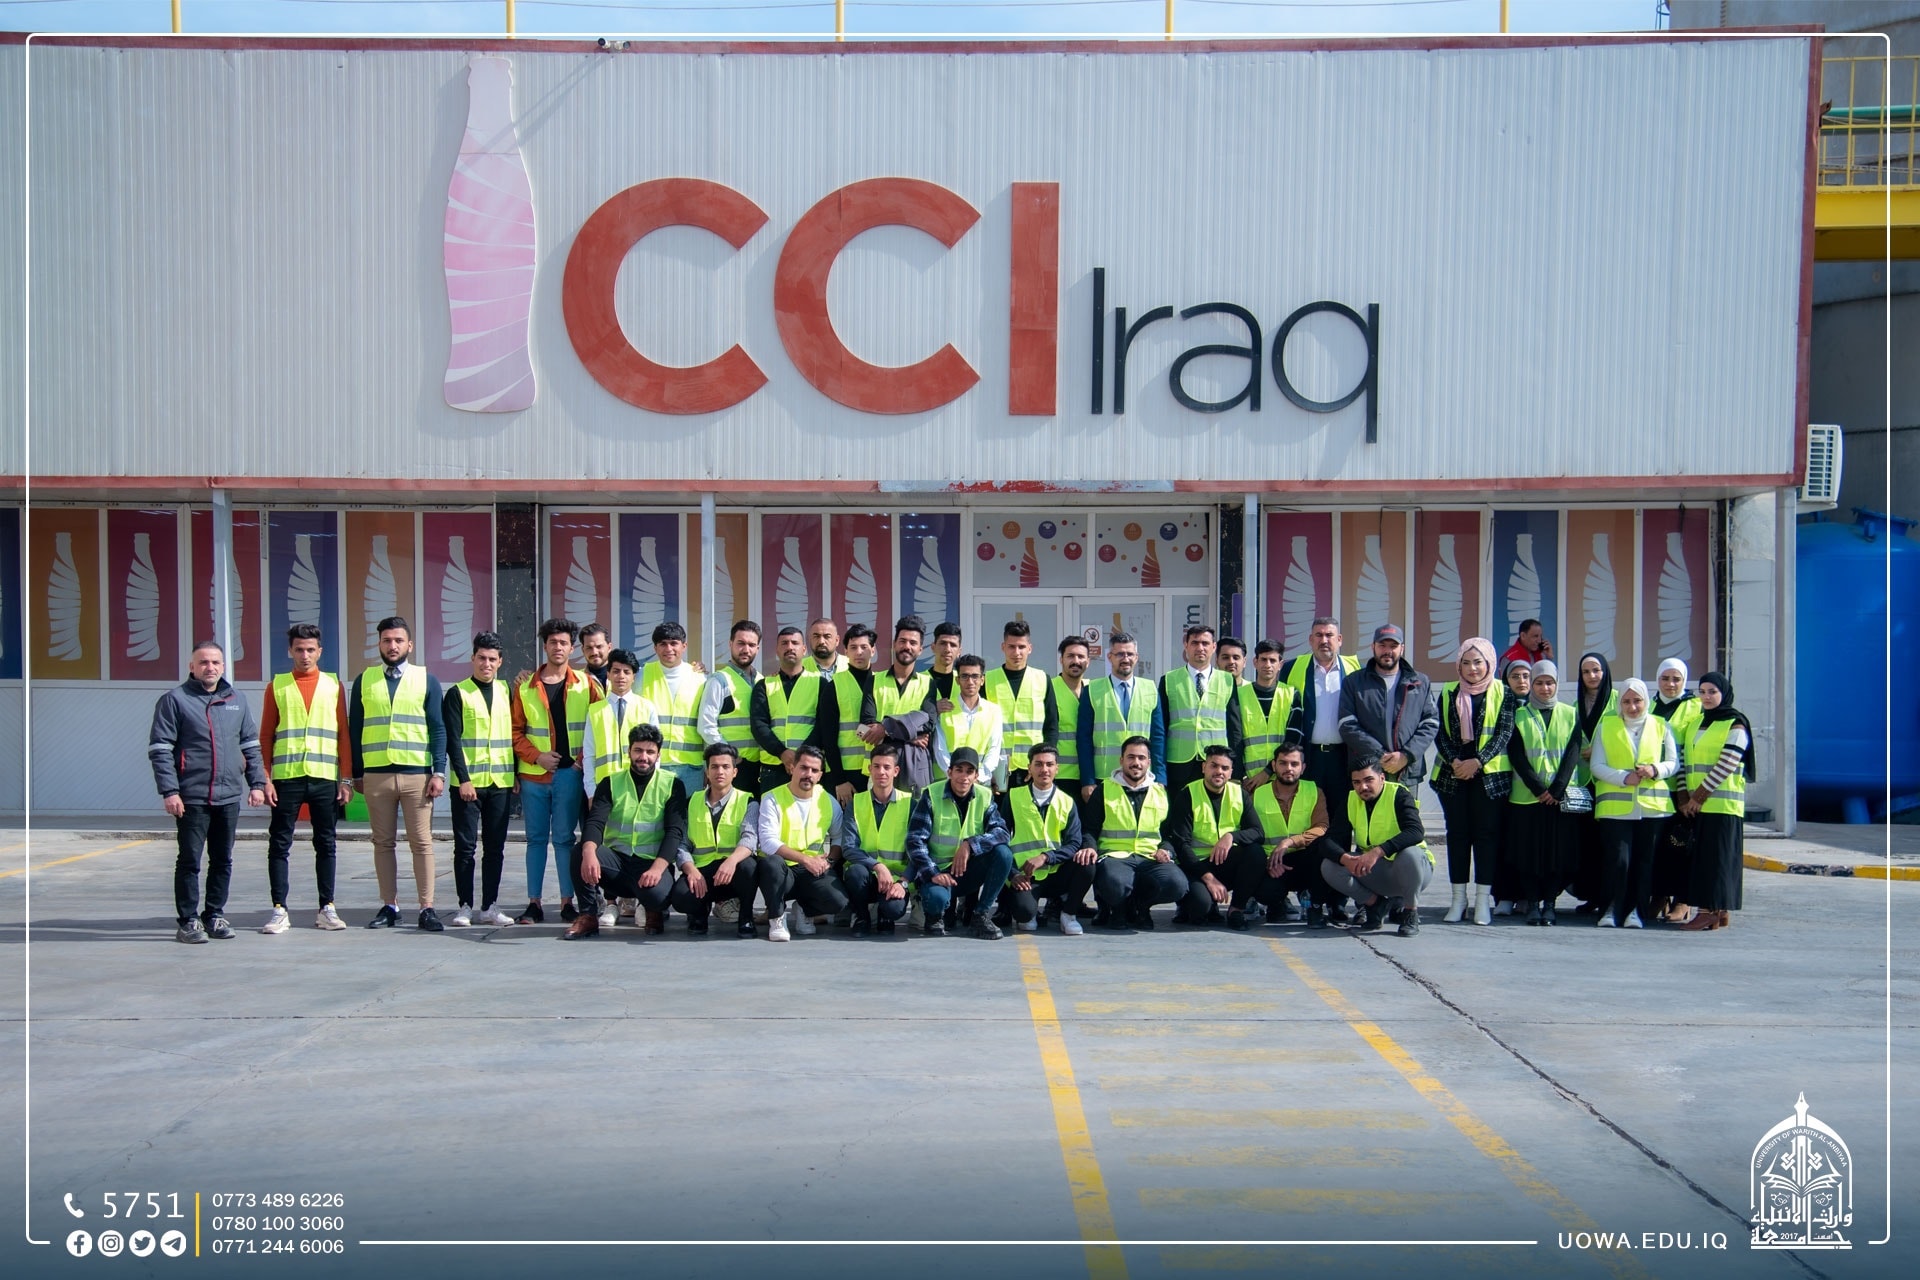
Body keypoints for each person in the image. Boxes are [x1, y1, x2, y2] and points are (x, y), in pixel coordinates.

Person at [149, 641, 266, 943]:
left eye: (215, 662)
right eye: (203, 662)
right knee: (189, 860)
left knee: (222, 859)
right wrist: (170, 791)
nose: (210, 667)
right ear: (192, 667)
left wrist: (257, 784)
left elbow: (250, 746)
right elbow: (160, 750)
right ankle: (189, 920)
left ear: (223, 666)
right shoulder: (175, 700)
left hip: (228, 796)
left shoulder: (236, 700)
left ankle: (214, 914)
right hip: (192, 797)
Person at [349, 616, 449, 932]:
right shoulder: (364, 680)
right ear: (379, 644)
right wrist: (356, 773)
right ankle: (389, 906)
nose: (392, 646)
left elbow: (437, 728)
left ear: (410, 645)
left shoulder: (426, 680)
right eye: (387, 641)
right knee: (382, 843)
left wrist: (439, 772)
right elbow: (355, 729)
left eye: (398, 641)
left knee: (422, 843)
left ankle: (426, 908)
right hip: (376, 775)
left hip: (416, 776)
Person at [258, 623, 353, 933]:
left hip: (324, 777)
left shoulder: (333, 685)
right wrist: (265, 778)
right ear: (290, 651)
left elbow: (343, 734)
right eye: (299, 649)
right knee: (279, 843)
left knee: (326, 843)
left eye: (310, 649)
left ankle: (327, 907)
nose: (305, 655)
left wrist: (346, 779)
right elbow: (265, 735)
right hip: (287, 778)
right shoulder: (277, 686)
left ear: (320, 651)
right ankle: (279, 909)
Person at [511, 617, 603, 925]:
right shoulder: (525, 687)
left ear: (572, 648)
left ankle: (566, 902)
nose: (558, 647)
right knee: (536, 839)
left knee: (564, 839)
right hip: (534, 776)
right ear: (545, 646)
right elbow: (515, 731)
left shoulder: (587, 684)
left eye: (564, 642)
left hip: (569, 775)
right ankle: (534, 903)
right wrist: (536, 756)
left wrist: (578, 762)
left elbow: (598, 727)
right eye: (553, 642)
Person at [564, 724, 690, 940]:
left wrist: (657, 869)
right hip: (617, 865)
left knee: (658, 896)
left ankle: (653, 910)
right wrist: (589, 852)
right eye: (638, 750)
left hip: (651, 865)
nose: (644, 757)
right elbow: (595, 822)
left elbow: (674, 833)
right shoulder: (611, 783)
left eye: (650, 752)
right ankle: (588, 916)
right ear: (629, 751)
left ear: (658, 755)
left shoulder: (672, 785)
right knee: (580, 852)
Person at [1429, 637, 1513, 926]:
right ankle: (1458, 899)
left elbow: (1503, 732)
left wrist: (1477, 761)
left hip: (1488, 778)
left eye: (1478, 662)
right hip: (1453, 776)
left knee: (1486, 837)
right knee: (1458, 836)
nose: (1472, 668)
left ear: (1489, 663)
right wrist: (1455, 761)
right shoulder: (1448, 691)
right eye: (1466, 663)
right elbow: (1439, 733)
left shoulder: (1503, 691)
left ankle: (1482, 901)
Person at [1587, 678, 1677, 929]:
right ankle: (1610, 910)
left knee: (1644, 862)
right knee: (1618, 861)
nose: (1632, 707)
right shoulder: (1606, 726)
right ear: (1620, 703)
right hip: (1615, 808)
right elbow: (1597, 765)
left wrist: (1654, 770)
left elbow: (1673, 763)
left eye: (1637, 701)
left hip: (1652, 808)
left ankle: (1636, 911)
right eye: (1626, 701)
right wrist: (1624, 778)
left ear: (1646, 701)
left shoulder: (1661, 725)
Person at [443, 631, 519, 929]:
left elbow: (513, 735)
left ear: (500, 662)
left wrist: (515, 774)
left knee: (495, 848)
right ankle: (464, 906)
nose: (486, 664)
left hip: (500, 781)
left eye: (492, 659)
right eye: (481, 658)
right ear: (472, 658)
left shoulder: (505, 691)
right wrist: (463, 779)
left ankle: (490, 906)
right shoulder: (457, 693)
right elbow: (453, 741)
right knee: (465, 848)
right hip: (468, 785)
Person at [581, 647, 659, 928]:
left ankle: (639, 902)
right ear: (608, 675)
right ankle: (611, 903)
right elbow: (589, 755)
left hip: (637, 787)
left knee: (638, 841)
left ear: (634, 676)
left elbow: (655, 751)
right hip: (606, 790)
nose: (621, 676)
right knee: (607, 843)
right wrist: (591, 791)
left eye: (627, 672)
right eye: (615, 671)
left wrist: (652, 788)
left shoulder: (646, 707)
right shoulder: (596, 710)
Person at [904, 746, 1014, 939]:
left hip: (968, 872)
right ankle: (935, 915)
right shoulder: (931, 795)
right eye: (959, 770)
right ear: (949, 772)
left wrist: (970, 844)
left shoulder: (984, 796)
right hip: (938, 872)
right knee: (937, 900)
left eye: (969, 771)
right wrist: (933, 873)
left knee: (1003, 853)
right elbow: (915, 841)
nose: (964, 777)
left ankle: (980, 915)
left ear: (976, 776)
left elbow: (1002, 832)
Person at [1503, 661, 1581, 926]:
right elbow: (1516, 755)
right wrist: (1538, 789)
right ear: (1532, 685)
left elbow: (1573, 752)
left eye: (1550, 683)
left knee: (1556, 856)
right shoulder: (1519, 716)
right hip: (1527, 798)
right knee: (1529, 856)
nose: (1545, 688)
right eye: (1539, 683)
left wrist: (1556, 789)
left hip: (1559, 799)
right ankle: (1532, 904)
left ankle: (1550, 905)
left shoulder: (1570, 714)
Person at [1081, 736, 1186, 930]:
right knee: (1115, 883)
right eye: (1131, 757)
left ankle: (1140, 907)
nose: (1136, 763)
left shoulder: (1160, 793)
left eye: (1141, 758)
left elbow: (1169, 834)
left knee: (1177, 885)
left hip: (1149, 857)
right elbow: (1090, 828)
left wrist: (1166, 850)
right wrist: (1089, 847)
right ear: (1121, 760)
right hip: (1114, 857)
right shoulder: (1104, 789)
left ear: (1149, 762)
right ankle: (1115, 908)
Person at [1319, 756, 1430, 938]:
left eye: (1368, 780)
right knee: (1330, 866)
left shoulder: (1399, 794)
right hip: (1376, 871)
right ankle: (1376, 905)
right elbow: (1329, 840)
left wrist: (1378, 851)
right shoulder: (1351, 800)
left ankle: (1410, 912)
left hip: (1411, 871)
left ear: (1382, 778)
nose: (1363, 787)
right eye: (1357, 782)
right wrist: (1345, 858)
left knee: (1410, 854)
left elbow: (1416, 832)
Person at [1677, 672, 1752, 932]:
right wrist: (1684, 798)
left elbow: (1727, 764)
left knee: (1717, 861)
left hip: (1721, 806)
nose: (1707, 697)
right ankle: (1718, 912)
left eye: (1712, 692)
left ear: (1724, 693)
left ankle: (1707, 911)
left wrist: (1698, 797)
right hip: (1695, 806)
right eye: (1702, 692)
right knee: (1704, 860)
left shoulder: (1735, 724)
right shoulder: (1695, 723)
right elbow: (1684, 761)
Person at [669, 743, 763, 938]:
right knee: (680, 896)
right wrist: (691, 870)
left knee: (750, 867)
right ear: (707, 771)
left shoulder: (748, 801)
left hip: (733, 872)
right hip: (702, 871)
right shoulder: (691, 801)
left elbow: (750, 839)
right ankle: (699, 913)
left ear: (734, 772)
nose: (720, 771)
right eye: (714, 767)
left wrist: (731, 861)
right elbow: (682, 844)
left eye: (725, 767)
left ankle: (746, 917)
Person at [755, 745, 848, 941]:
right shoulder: (772, 798)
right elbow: (768, 842)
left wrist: (829, 861)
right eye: (803, 768)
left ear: (820, 775)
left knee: (838, 901)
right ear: (792, 768)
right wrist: (806, 860)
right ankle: (777, 917)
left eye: (814, 770)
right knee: (771, 864)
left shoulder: (827, 800)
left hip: (811, 871)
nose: (808, 774)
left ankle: (805, 909)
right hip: (782, 871)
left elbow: (840, 836)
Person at [994, 744, 1088, 935]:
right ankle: (1031, 911)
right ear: (1029, 768)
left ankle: (1068, 914)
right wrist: (1013, 874)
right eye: (1038, 764)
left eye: (1049, 764)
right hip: (1026, 875)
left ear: (1057, 768)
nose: (1044, 769)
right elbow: (1000, 838)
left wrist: (1046, 857)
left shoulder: (1067, 801)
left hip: (1057, 872)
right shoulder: (1013, 797)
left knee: (1088, 863)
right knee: (1024, 916)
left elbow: (1074, 843)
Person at [1245, 742, 1341, 928]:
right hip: (1271, 863)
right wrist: (1266, 862)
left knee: (1324, 846)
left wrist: (1290, 842)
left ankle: (1315, 907)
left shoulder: (1314, 791)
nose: (1289, 768)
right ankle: (1276, 904)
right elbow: (1248, 833)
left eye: (1294, 764)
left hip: (1303, 860)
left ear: (1303, 768)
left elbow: (1321, 827)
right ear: (1274, 766)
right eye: (1283, 763)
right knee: (1266, 890)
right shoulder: (1256, 795)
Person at [1283, 617, 1363, 829]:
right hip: (1308, 757)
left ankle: (1340, 852)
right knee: (1307, 815)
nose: (1324, 640)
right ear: (1311, 639)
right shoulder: (1292, 668)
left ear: (1340, 639)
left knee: (1341, 817)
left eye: (1329, 635)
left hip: (1343, 757)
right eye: (1319, 635)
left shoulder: (1356, 670)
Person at [1167, 744, 1259, 928]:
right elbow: (1181, 844)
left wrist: (1231, 837)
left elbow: (1257, 832)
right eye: (1214, 766)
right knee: (1200, 907)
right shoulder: (1187, 794)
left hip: (1225, 862)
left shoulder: (1239, 794)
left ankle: (1236, 910)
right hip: (1195, 865)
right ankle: (1191, 904)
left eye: (1225, 768)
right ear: (1204, 767)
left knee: (1255, 853)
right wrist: (1209, 879)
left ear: (1231, 772)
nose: (1219, 772)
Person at [1338, 623, 1438, 790]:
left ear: (1402, 648)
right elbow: (1347, 724)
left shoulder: (1420, 682)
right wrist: (1379, 755)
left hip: (1406, 770)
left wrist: (1406, 756)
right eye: (1382, 645)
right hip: (1367, 772)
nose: (1387, 651)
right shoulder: (1354, 682)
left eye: (1393, 646)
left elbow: (1431, 723)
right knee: (1367, 809)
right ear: (1373, 647)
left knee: (1405, 808)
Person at [838, 744, 913, 935]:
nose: (881, 772)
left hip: (896, 879)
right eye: (877, 766)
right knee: (854, 873)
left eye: (887, 767)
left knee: (893, 910)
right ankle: (861, 916)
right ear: (869, 769)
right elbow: (848, 847)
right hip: (866, 875)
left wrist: (903, 883)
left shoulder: (910, 803)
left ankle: (884, 914)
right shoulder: (856, 802)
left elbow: (918, 850)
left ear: (896, 771)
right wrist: (877, 866)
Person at [1076, 631, 1159, 805]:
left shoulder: (1150, 689)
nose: (1125, 659)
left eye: (1130, 654)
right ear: (1110, 657)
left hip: (1141, 777)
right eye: (1120, 654)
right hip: (1104, 777)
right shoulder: (1092, 690)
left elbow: (1158, 738)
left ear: (1136, 657)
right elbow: (1084, 739)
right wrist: (1088, 780)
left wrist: (1161, 777)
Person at [1650, 658, 1702, 923]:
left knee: (1682, 846)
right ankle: (1659, 895)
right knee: (1659, 848)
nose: (1670, 684)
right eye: (1665, 678)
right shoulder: (1649, 705)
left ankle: (1683, 899)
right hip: (1655, 789)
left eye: (1676, 679)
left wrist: (1687, 795)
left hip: (1683, 790)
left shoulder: (1695, 706)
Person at [697, 619, 772, 798]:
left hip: (759, 766)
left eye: (751, 645)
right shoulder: (719, 680)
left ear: (758, 648)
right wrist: (729, 756)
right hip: (733, 767)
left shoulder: (762, 680)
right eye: (741, 643)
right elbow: (706, 726)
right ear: (731, 644)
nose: (746, 649)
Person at [1567, 651, 1618, 915]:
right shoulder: (1575, 705)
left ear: (1605, 672)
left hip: (1610, 781)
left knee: (1609, 842)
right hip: (1584, 782)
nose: (1592, 676)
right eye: (1586, 672)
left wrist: (1599, 750)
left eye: (1596, 670)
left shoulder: (1618, 700)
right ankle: (1592, 895)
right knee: (1587, 842)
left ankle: (1610, 896)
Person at [1154, 623, 1232, 792]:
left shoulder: (1227, 680)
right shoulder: (1169, 680)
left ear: (1213, 647)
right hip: (1179, 763)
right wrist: (1160, 770)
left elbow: (1234, 727)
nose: (1200, 648)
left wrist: (1235, 767)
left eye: (1205, 643)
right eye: (1195, 643)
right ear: (1186, 645)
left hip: (1215, 762)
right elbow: (1160, 728)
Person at [751, 625, 833, 780]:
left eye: (795, 643)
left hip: (810, 767)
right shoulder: (764, 685)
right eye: (784, 643)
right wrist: (782, 753)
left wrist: (801, 756)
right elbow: (758, 725)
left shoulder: (820, 684)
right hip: (773, 767)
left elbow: (824, 725)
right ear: (777, 650)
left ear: (804, 650)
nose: (790, 647)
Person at [984, 619, 1058, 791]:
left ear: (1029, 648)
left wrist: (1044, 763)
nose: (1016, 652)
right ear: (1003, 647)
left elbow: (1051, 726)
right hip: (998, 767)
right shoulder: (987, 680)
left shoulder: (1042, 679)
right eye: (1011, 647)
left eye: (1021, 647)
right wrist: (986, 768)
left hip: (1033, 768)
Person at [638, 621, 706, 793]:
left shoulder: (700, 679)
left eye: (674, 643)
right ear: (655, 648)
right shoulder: (641, 675)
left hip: (691, 767)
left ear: (684, 646)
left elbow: (707, 724)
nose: (668, 649)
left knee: (688, 811)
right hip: (653, 764)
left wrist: (708, 765)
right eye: (663, 644)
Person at [869, 615, 934, 791]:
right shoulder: (874, 680)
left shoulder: (928, 683)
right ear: (894, 644)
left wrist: (885, 728)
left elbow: (929, 723)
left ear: (920, 649)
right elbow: (867, 722)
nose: (907, 646)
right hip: (880, 765)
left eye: (913, 643)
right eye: (903, 641)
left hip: (914, 765)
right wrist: (912, 735)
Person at [1228, 639, 1302, 791]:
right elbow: (1235, 740)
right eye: (1263, 659)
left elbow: (1293, 739)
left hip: (1282, 778)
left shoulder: (1291, 694)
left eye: (1273, 660)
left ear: (1280, 664)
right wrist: (1240, 775)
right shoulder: (1238, 695)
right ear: (1255, 662)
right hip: (1248, 781)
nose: (1268, 665)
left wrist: (1268, 771)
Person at [826, 622, 881, 804]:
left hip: (877, 769)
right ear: (845, 651)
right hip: (847, 773)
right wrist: (839, 780)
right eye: (853, 647)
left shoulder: (882, 683)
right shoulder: (834, 685)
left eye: (864, 647)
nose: (859, 652)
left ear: (873, 650)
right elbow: (828, 737)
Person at [932, 654, 1005, 779]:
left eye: (975, 676)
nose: (970, 682)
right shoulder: (944, 709)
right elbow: (940, 749)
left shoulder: (994, 711)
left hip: (980, 782)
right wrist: (955, 776)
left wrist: (978, 778)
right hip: (948, 781)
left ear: (982, 680)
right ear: (957, 680)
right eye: (965, 676)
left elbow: (994, 749)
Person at [1051, 636, 1090, 793]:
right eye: (1070, 656)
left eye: (1081, 656)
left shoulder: (1094, 689)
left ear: (1088, 661)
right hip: (1059, 774)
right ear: (1061, 660)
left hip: (1090, 774)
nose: (1076, 661)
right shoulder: (1049, 688)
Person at [927, 621, 963, 709]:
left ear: (959, 651)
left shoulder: (965, 681)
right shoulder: (918, 681)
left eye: (953, 645)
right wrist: (932, 708)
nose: (947, 649)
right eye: (943, 643)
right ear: (933, 647)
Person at [579, 622, 613, 690]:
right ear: (583, 650)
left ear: (609, 647)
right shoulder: (576, 679)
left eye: (599, 646)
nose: (594, 652)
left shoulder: (624, 677)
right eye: (589, 648)